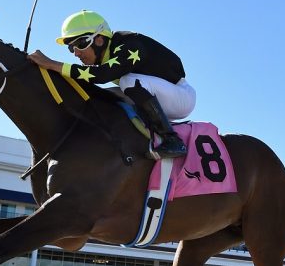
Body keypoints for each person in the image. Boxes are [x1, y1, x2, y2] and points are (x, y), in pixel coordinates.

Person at [27, 10, 195, 158]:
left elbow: (102, 75)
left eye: (81, 44)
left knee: (127, 82)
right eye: (71, 48)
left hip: (181, 97)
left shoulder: (129, 45)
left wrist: (53, 64)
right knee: (106, 95)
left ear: (99, 39)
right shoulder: (108, 52)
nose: (76, 53)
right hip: (159, 95)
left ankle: (172, 140)